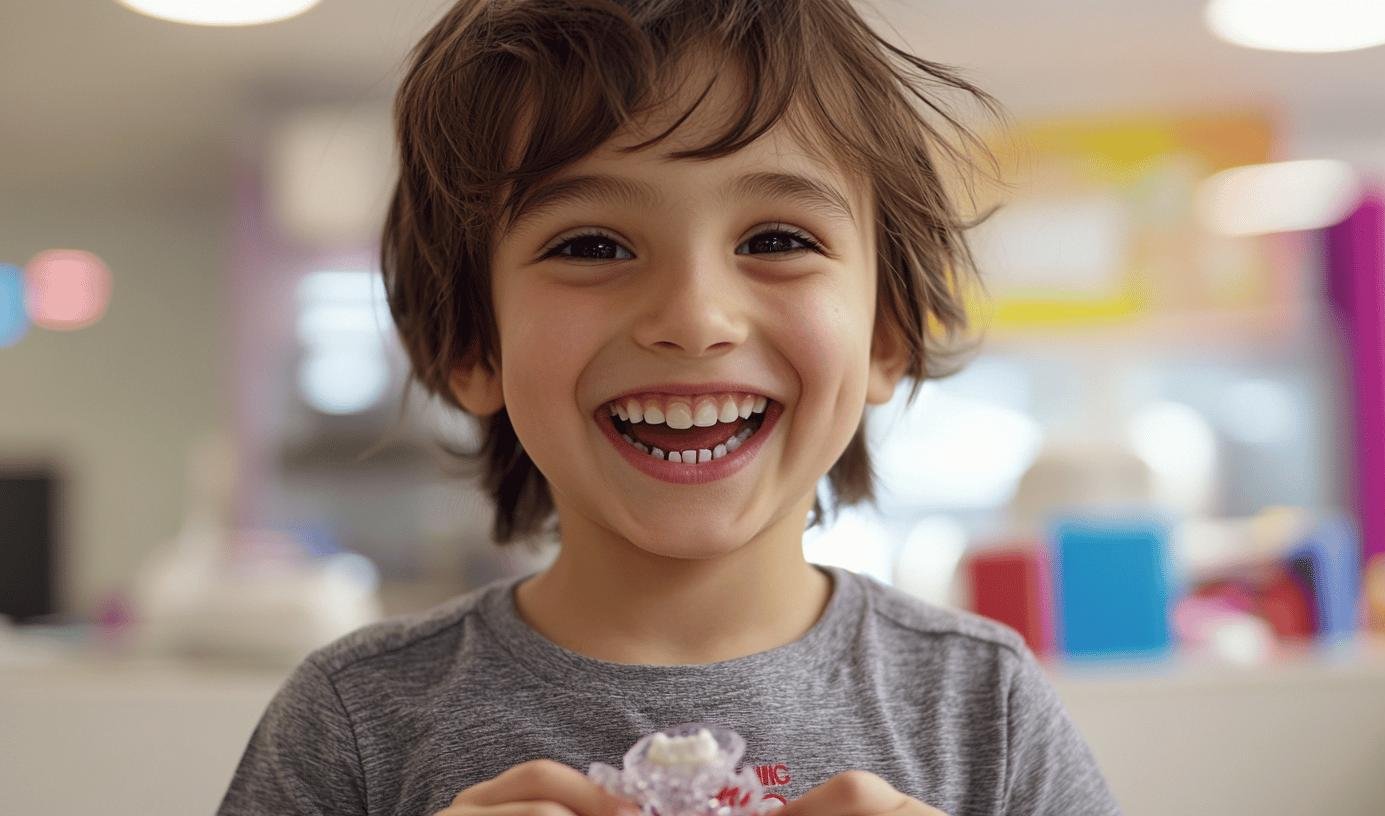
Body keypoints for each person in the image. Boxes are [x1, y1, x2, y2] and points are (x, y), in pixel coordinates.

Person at [218, 1, 1122, 814]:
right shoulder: (354, 723)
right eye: (593, 245)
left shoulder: (982, 707)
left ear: (885, 336)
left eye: (775, 239)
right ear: (472, 347)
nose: (693, 319)